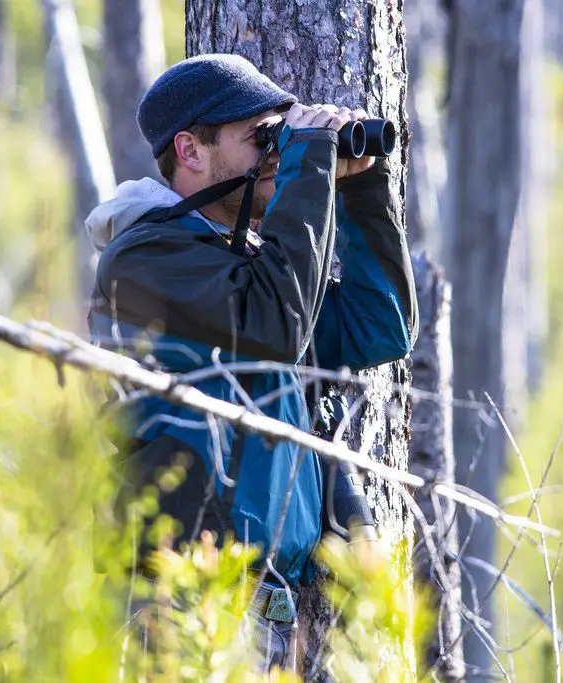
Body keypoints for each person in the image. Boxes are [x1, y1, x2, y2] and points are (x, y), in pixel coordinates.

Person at [84, 53, 418, 672]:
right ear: (190, 150)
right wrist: (308, 160)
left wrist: (361, 188)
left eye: (280, 138)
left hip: (268, 603)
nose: (275, 156)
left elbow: (380, 327)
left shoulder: (254, 269)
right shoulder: (145, 257)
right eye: (262, 138)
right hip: (182, 595)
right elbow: (278, 324)